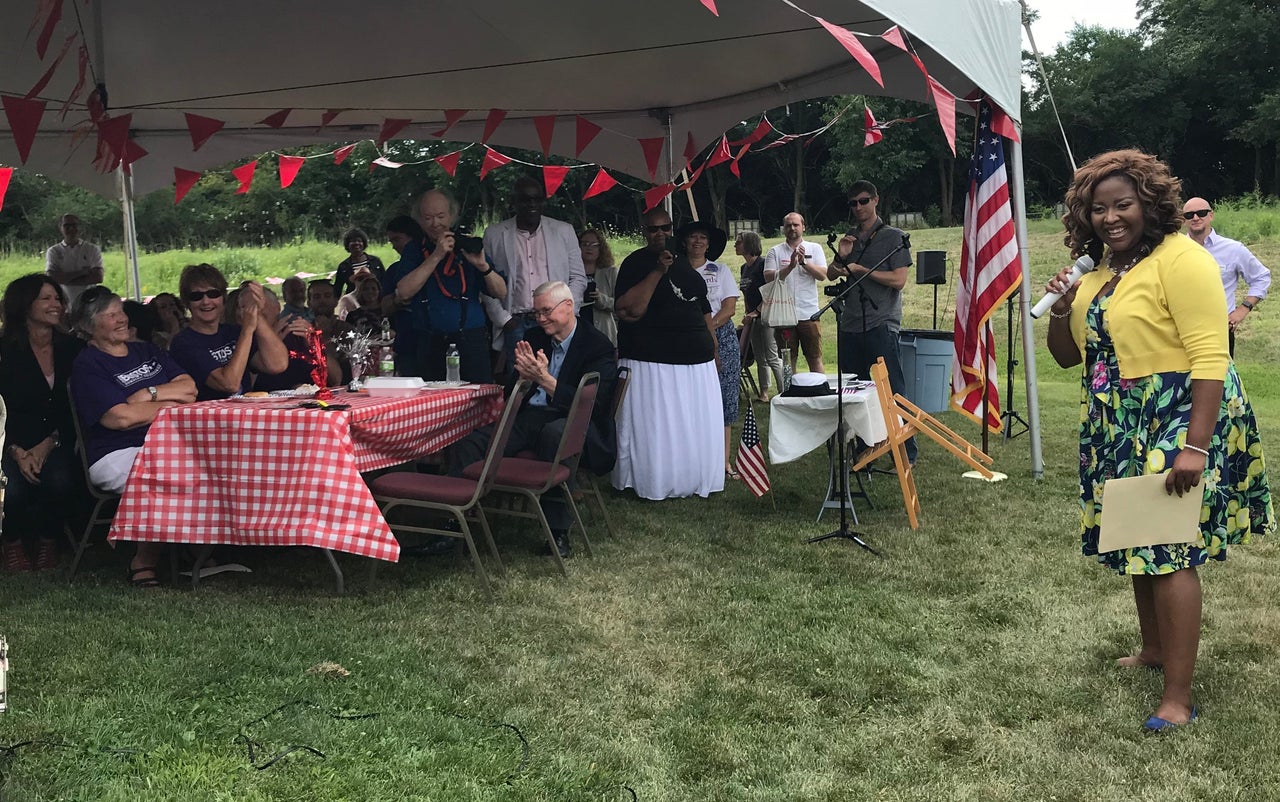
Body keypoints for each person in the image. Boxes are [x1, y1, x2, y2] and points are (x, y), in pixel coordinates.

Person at [1044, 149, 1274, 731]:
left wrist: (1195, 445)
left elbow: (1210, 355)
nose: (1111, 217)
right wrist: (1059, 311)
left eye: (1123, 205)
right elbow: (1072, 358)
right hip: (1116, 419)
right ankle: (1152, 649)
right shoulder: (1097, 274)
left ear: (1150, 203)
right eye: (1098, 209)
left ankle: (1178, 695)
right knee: (1136, 541)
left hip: (1175, 414)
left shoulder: (1181, 259)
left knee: (1169, 552)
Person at [447, 281, 617, 558]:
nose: (540, 319)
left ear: (569, 306)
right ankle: (456, 523)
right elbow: (514, 391)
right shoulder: (536, 338)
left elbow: (594, 405)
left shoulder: (597, 346)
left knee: (555, 436)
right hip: (530, 417)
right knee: (472, 442)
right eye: (536, 313)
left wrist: (546, 380)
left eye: (546, 311)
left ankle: (558, 532)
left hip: (573, 421)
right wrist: (524, 380)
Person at [69, 286, 198, 587]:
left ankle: (199, 549)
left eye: (121, 311)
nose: (121, 319)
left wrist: (147, 394)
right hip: (114, 452)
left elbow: (189, 389)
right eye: (110, 315)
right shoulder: (88, 365)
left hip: (165, 443)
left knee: (207, 461)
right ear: (89, 327)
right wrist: (167, 405)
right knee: (165, 471)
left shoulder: (146, 350)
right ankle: (144, 562)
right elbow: (119, 418)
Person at [612, 207, 722, 500]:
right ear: (643, 232)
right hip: (651, 360)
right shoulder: (635, 263)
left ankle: (692, 476)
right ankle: (653, 480)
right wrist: (658, 270)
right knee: (657, 428)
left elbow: (704, 309)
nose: (660, 234)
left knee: (690, 425)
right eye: (653, 229)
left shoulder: (684, 262)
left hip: (696, 359)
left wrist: (713, 346)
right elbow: (629, 311)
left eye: (666, 228)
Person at [828, 180, 917, 465]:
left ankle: (906, 451)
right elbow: (832, 275)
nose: (858, 208)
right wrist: (841, 257)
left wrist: (863, 270)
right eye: (853, 203)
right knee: (855, 394)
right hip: (850, 323)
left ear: (876, 200)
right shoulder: (850, 237)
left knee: (891, 390)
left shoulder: (894, 237)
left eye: (863, 201)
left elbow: (899, 280)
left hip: (881, 322)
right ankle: (866, 448)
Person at [0, 275, 84, 571]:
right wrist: (16, 451)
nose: (56, 304)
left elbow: (78, 406)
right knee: (12, 489)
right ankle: (12, 543)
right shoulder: (4, 351)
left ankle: (50, 541)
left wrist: (48, 444)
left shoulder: (73, 349)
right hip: (10, 441)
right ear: (25, 305)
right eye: (46, 298)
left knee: (60, 480)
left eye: (58, 298)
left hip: (58, 437)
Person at [387, 188, 508, 382]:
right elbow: (403, 293)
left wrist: (483, 267)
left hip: (471, 341)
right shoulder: (415, 250)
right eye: (428, 218)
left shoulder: (467, 245)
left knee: (477, 403)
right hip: (430, 342)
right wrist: (436, 255)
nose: (435, 223)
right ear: (419, 221)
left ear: (452, 215)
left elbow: (501, 291)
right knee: (431, 405)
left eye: (441, 216)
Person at [482, 176, 588, 372]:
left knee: (556, 375)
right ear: (514, 202)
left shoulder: (563, 231)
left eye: (537, 199)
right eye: (525, 199)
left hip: (555, 320)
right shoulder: (495, 234)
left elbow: (578, 277)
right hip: (516, 321)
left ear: (543, 201)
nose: (532, 204)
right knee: (519, 385)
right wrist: (504, 320)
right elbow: (486, 282)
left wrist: (567, 313)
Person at [168, 264, 290, 400]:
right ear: (187, 303)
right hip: (208, 418)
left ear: (223, 298)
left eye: (213, 294)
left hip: (243, 415)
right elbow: (229, 384)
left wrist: (257, 314)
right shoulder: (184, 342)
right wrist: (248, 330)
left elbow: (278, 364)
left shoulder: (233, 333)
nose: (206, 301)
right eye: (196, 296)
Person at [681, 221, 740, 479]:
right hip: (686, 342)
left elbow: (729, 308)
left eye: (702, 237)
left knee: (724, 399)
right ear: (684, 241)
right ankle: (694, 459)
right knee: (691, 401)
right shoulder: (676, 271)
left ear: (709, 243)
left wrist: (708, 328)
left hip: (721, 339)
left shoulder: (721, 270)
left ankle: (723, 461)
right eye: (693, 236)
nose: (697, 241)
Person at [1181, 197, 1270, 356]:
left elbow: (1261, 277)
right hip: (1180, 330)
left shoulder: (1233, 249)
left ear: (1211, 215)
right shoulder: (1175, 250)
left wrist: (1243, 309)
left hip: (1220, 331)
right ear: (1183, 220)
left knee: (1220, 379)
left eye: (1201, 213)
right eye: (1189, 215)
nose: (1195, 218)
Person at [763, 212, 826, 374]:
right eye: (788, 225)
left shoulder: (815, 248)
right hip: (784, 316)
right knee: (788, 360)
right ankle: (791, 395)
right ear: (783, 229)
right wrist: (790, 266)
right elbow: (769, 278)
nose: (792, 228)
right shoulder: (775, 252)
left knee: (814, 357)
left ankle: (820, 392)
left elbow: (822, 275)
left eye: (796, 225)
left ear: (803, 227)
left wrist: (804, 263)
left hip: (809, 313)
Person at [737, 230, 783, 402]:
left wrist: (757, 311)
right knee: (759, 355)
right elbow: (746, 293)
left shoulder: (762, 264)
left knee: (771, 355)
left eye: (739, 242)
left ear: (749, 244)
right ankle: (764, 393)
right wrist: (748, 314)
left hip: (767, 315)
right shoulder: (744, 268)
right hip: (752, 317)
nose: (735, 245)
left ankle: (783, 392)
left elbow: (771, 292)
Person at [381, 214, 426, 371]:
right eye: (391, 241)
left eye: (397, 240)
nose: (394, 246)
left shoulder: (435, 266)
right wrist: (399, 298)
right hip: (407, 344)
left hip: (435, 343)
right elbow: (385, 308)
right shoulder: (394, 270)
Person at [45, 214, 104, 308]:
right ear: (60, 228)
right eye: (67, 226)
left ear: (80, 227)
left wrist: (65, 278)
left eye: (74, 225)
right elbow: (52, 278)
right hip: (64, 305)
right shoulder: (54, 251)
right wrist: (82, 272)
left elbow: (98, 277)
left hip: (90, 305)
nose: (71, 229)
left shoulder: (92, 249)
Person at [578, 228, 619, 346]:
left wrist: (601, 299)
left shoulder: (610, 272)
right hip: (578, 331)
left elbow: (620, 305)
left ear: (601, 248)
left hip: (603, 333)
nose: (588, 247)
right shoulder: (570, 272)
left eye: (593, 245)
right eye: (584, 244)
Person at [332, 228, 386, 298]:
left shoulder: (375, 261)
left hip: (376, 301)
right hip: (353, 303)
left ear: (364, 243)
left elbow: (385, 282)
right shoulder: (343, 266)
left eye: (359, 241)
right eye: (353, 241)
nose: (356, 243)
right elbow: (337, 289)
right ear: (347, 245)